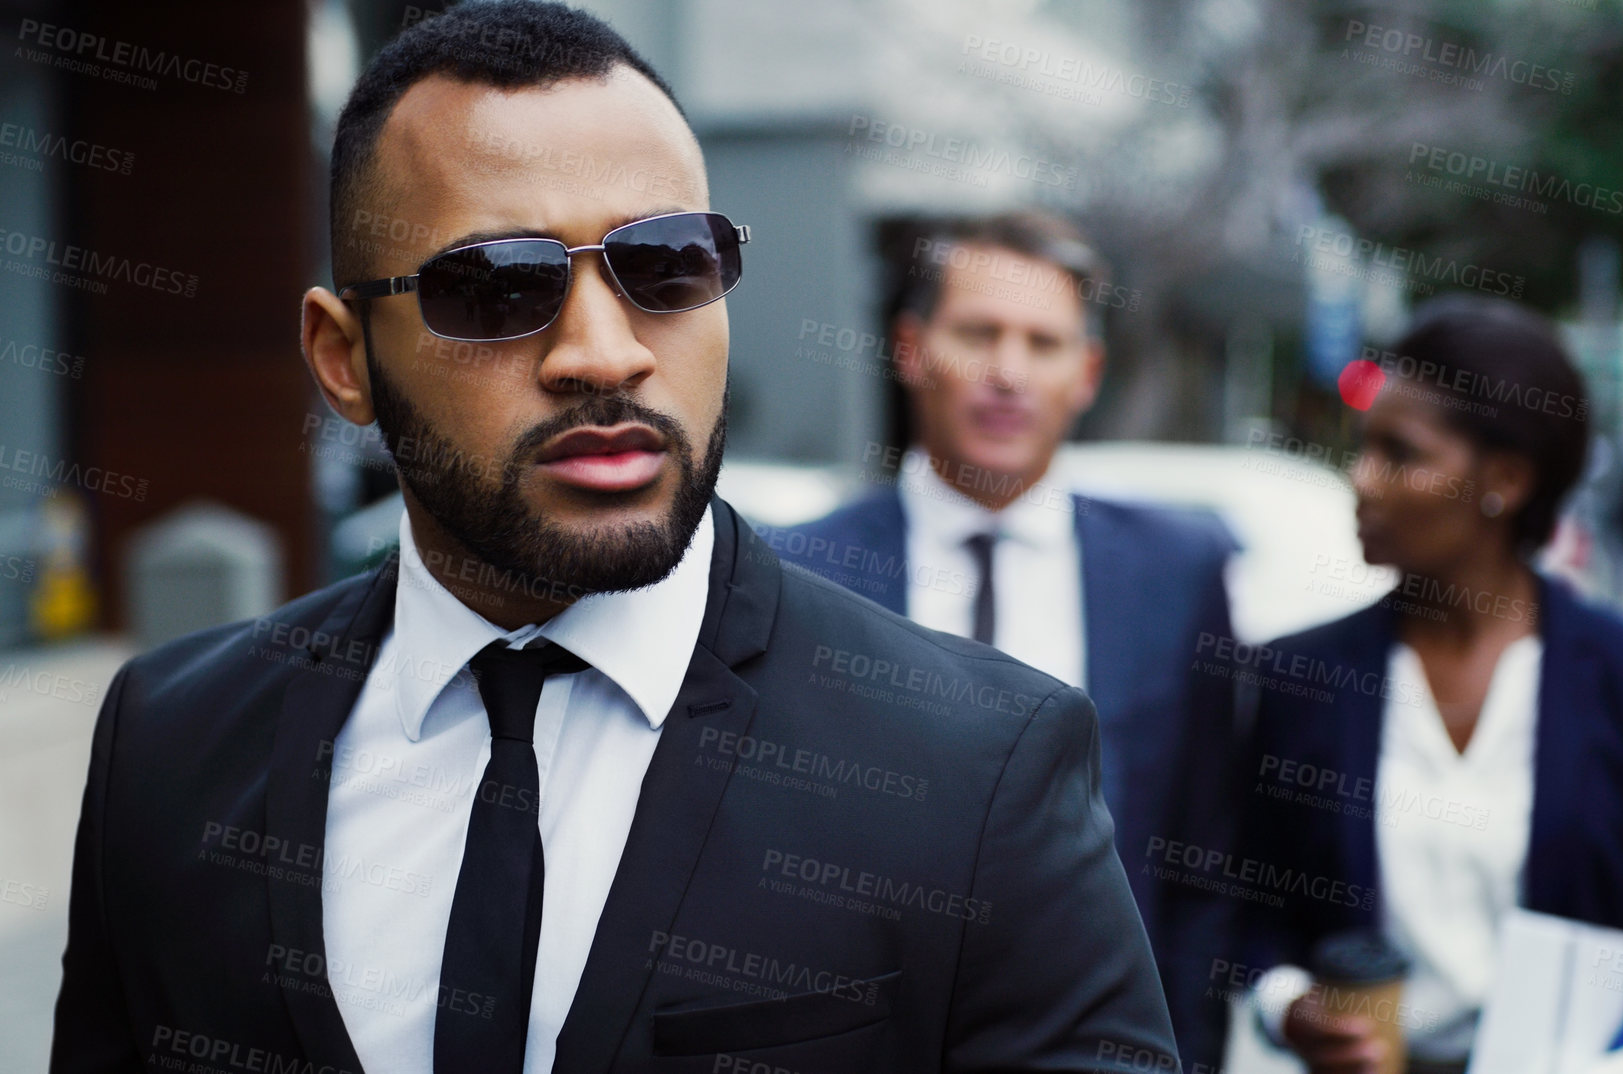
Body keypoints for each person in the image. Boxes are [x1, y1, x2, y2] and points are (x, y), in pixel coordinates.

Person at [49, 5, 1177, 1072]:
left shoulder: (979, 767)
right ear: (344, 358)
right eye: (496, 287)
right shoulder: (171, 742)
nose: (604, 352)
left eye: (666, 265)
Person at [768, 210, 1241, 1070]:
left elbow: (1204, 855)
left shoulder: (1178, 571)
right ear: (911, 350)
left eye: (1043, 342)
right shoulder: (802, 570)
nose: (1007, 373)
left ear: (1087, 372)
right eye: (978, 333)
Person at [1231, 296, 1623, 1074]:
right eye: (1362, 447)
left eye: (1400, 454)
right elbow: (1250, 913)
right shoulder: (1301, 674)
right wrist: (1290, 1004)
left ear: (1503, 478)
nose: (1361, 480)